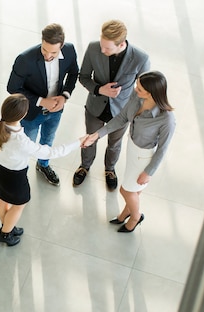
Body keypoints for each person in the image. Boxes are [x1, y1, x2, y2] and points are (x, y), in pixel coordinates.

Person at [0, 94, 94, 246]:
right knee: (19, 205)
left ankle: (7, 226)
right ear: (23, 115)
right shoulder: (22, 141)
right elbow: (52, 152)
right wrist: (78, 142)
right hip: (15, 177)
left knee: (3, 198)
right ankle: (5, 233)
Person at [85, 71, 175, 232]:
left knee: (125, 190)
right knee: (134, 190)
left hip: (144, 157)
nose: (135, 89)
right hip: (132, 148)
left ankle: (135, 217)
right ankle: (124, 214)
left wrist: (149, 172)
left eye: (140, 89)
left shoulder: (166, 119)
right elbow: (122, 118)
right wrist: (97, 135)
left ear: (152, 93)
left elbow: (162, 149)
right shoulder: (137, 97)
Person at [73, 20, 150, 189]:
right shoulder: (94, 48)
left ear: (121, 44)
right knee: (89, 139)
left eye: (107, 48)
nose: (102, 50)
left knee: (115, 143)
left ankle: (110, 169)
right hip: (95, 107)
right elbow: (83, 76)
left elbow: (145, 92)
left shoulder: (141, 58)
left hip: (122, 111)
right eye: (102, 45)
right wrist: (100, 90)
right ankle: (85, 166)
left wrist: (135, 112)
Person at [7, 23, 79, 186]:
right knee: (25, 147)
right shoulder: (25, 59)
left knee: (48, 139)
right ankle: (20, 173)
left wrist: (65, 96)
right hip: (32, 112)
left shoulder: (69, 50)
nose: (47, 55)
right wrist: (41, 101)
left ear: (62, 46)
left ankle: (43, 165)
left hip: (56, 110)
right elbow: (12, 87)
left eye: (53, 52)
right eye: (44, 50)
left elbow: (74, 73)